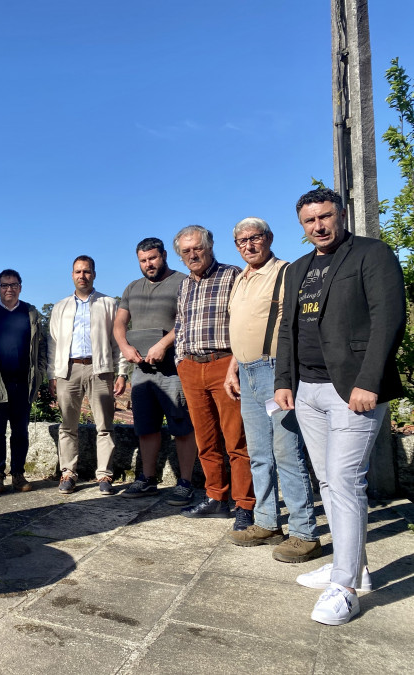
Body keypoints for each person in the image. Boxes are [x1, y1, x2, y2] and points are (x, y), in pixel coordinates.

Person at [274, 187, 406, 626]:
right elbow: (289, 329)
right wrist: (283, 382)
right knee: (329, 482)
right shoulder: (297, 270)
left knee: (346, 481)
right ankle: (356, 569)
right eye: (310, 221)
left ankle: (345, 588)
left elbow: (390, 317)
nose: (319, 227)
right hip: (308, 390)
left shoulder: (372, 254)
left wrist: (369, 381)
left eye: (325, 217)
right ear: (302, 225)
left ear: (341, 215)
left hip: (352, 389)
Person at [223, 218, 321, 562]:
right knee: (259, 452)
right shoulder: (240, 278)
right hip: (247, 370)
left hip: (274, 369)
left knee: (287, 452)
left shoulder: (285, 271)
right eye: (241, 241)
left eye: (255, 238)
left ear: (269, 238)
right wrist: (233, 368)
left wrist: (285, 375)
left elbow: (294, 325)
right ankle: (266, 522)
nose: (248, 245)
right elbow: (242, 326)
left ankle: (304, 532)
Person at [173, 226, 255, 531]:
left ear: (210, 248)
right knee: (205, 440)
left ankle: (245, 504)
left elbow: (244, 320)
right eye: (186, 251)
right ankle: (215, 497)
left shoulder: (233, 276)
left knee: (237, 439)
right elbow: (180, 324)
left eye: (198, 249)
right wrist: (181, 360)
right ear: (180, 256)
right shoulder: (184, 286)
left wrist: (236, 361)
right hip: (192, 367)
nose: (193, 255)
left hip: (224, 364)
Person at [114, 237, 197, 506]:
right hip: (141, 370)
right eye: (143, 260)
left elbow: (188, 320)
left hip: (174, 369)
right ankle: (148, 479)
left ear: (163, 256)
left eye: (153, 258)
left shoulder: (183, 281)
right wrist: (125, 347)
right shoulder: (132, 288)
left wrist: (163, 343)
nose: (148, 264)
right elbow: (119, 324)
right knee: (146, 428)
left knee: (182, 427)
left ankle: (185, 482)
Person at [48, 255, 127, 494]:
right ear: (72, 275)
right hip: (68, 370)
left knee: (104, 425)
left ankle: (104, 475)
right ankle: (68, 473)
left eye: (87, 271)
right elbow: (52, 343)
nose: (82, 276)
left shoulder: (108, 303)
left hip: (99, 369)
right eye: (78, 272)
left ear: (94, 274)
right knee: (67, 425)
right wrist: (53, 374)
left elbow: (118, 341)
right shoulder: (60, 306)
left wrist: (122, 372)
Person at [0, 269, 48, 494]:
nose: (9, 289)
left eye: (13, 285)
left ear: (20, 287)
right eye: (5, 285)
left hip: (23, 384)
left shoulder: (30, 313)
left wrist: (40, 373)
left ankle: (18, 475)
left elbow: (41, 347)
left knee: (20, 432)